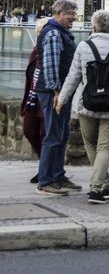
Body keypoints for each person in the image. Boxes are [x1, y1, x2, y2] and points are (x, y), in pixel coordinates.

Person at [56, 10, 109, 204]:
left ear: (93, 26)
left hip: (86, 104)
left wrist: (62, 99)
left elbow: (73, 76)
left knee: (90, 144)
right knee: (105, 147)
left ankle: (96, 188)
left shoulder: (83, 47)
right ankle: (104, 184)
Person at [34, 0, 80, 196]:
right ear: (60, 13)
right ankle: (45, 181)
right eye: (70, 14)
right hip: (55, 93)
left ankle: (58, 176)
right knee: (53, 135)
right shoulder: (53, 33)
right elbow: (51, 65)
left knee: (61, 134)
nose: (73, 17)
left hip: (60, 92)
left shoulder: (58, 31)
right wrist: (56, 92)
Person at [21, 18, 49, 184]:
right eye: (38, 33)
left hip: (45, 100)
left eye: (41, 33)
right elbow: (29, 78)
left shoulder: (51, 51)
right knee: (29, 131)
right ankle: (44, 164)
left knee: (45, 135)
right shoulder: (35, 51)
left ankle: (46, 169)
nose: (39, 36)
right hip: (32, 99)